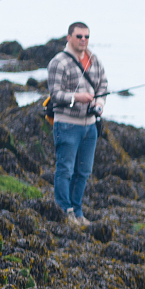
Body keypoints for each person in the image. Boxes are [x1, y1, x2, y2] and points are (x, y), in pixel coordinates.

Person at [45, 21, 106, 227]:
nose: (83, 40)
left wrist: (99, 103)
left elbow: (103, 85)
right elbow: (55, 94)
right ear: (68, 37)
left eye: (87, 36)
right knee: (65, 169)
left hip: (90, 125)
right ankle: (65, 211)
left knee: (84, 171)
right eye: (79, 36)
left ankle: (78, 212)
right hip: (67, 124)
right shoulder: (58, 62)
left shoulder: (94, 60)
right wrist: (77, 97)